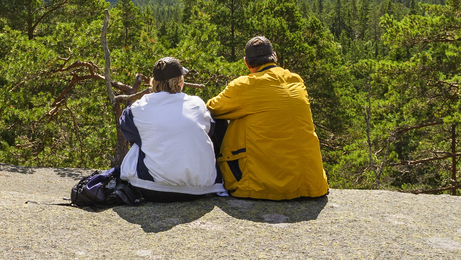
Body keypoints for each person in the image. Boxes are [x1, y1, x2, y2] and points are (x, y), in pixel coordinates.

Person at [206, 36, 329, 200]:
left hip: (263, 187)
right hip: (312, 185)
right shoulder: (296, 80)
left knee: (216, 119)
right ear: (275, 57)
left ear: (247, 63)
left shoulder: (245, 85)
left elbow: (211, 108)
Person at [119, 57, 227, 202]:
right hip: (202, 188)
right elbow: (212, 131)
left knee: (141, 138)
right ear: (180, 82)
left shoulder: (139, 108)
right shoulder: (197, 104)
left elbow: (126, 131)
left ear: (154, 83)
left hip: (153, 188)